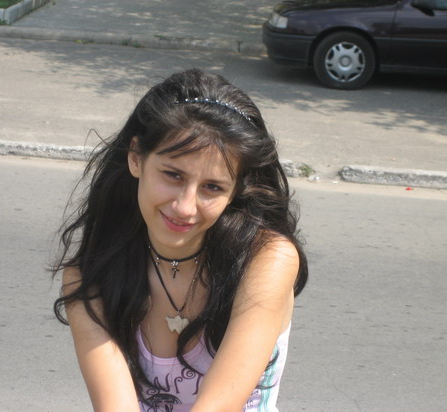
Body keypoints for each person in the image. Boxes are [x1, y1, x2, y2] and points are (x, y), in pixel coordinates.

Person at [53, 69, 308, 412]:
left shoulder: (267, 258)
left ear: (235, 191)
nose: (185, 207)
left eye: (212, 187)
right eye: (173, 175)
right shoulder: (90, 276)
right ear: (136, 158)